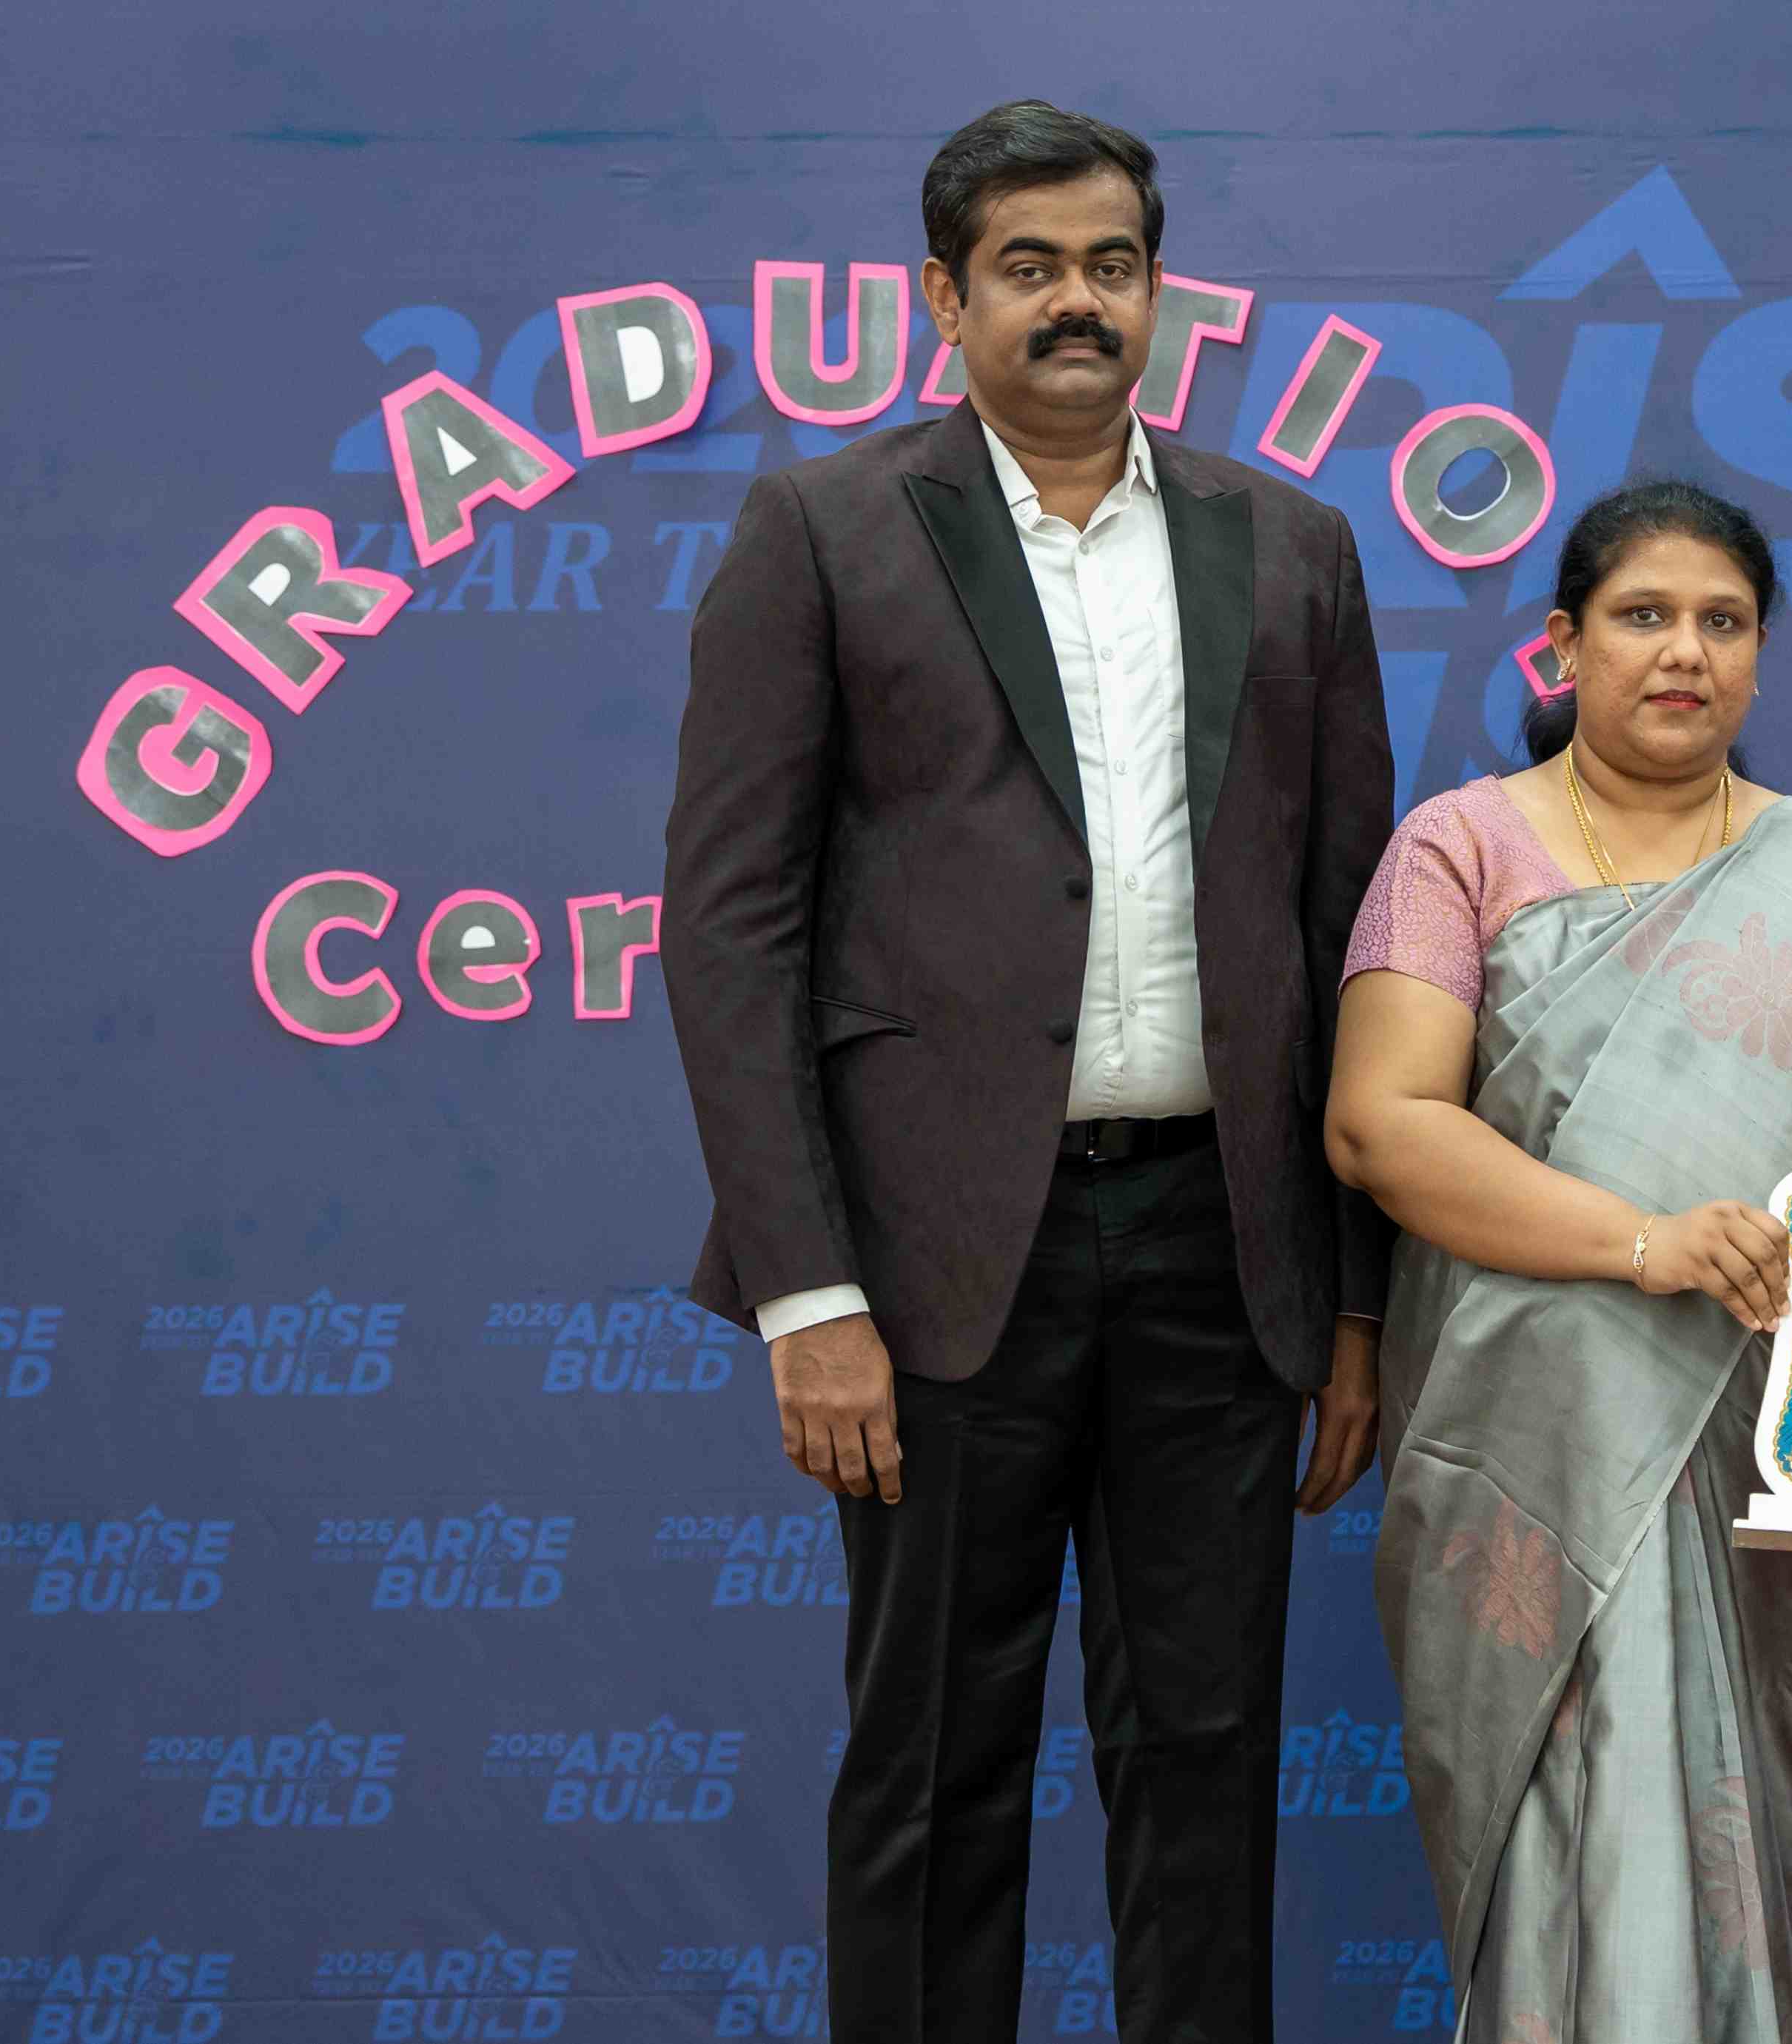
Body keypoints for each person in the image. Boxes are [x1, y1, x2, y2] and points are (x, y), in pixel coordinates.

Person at [660, 99, 1394, 2043]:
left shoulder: (1293, 547)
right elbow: (729, 931)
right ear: (945, 296)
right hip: (927, 1267)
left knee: (1207, 1760)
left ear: (1159, 292)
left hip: (1220, 1253)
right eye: (1030, 266)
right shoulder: (823, 531)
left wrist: (1351, 1298)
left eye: (1111, 265)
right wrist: (805, 1292)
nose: (1077, 301)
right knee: (930, 1764)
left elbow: (1351, 940)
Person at [1326, 480, 1792, 2043]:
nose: (1683, 650)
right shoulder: (1460, 847)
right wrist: (1644, 1244)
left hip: (1754, 1447)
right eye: (1643, 615)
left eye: (1721, 621)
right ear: (1563, 645)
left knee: (1732, 1857)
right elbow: (1379, 1125)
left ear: (1758, 654)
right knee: (1569, 1851)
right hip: (1524, 1444)